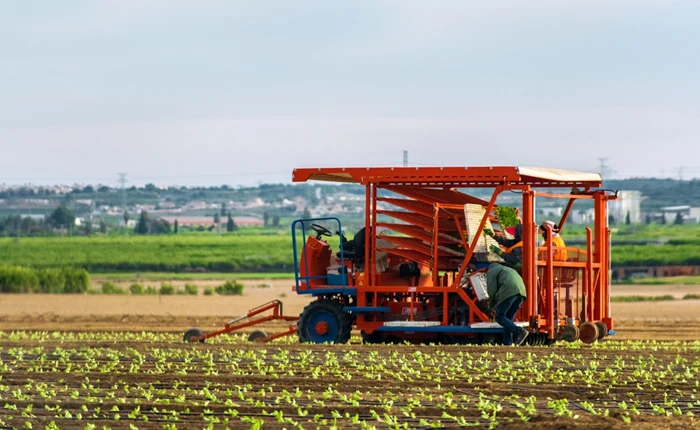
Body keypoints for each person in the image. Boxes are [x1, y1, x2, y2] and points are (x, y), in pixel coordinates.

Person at [486, 262, 529, 346]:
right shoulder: (508, 269)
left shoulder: (491, 271)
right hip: (521, 293)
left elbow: (492, 291)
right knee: (508, 319)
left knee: (499, 316)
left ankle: (520, 331)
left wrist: (490, 305)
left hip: (508, 292)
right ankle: (507, 343)